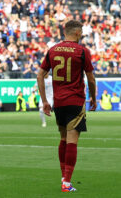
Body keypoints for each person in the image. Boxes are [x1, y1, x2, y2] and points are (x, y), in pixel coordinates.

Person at [37, 20, 96, 192]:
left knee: (63, 139)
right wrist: (93, 97)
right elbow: (91, 78)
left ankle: (64, 178)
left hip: (59, 102)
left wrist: (45, 101)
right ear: (77, 33)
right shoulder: (83, 51)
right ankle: (67, 183)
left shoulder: (53, 50)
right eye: (82, 32)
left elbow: (40, 75)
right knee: (72, 141)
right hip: (76, 101)